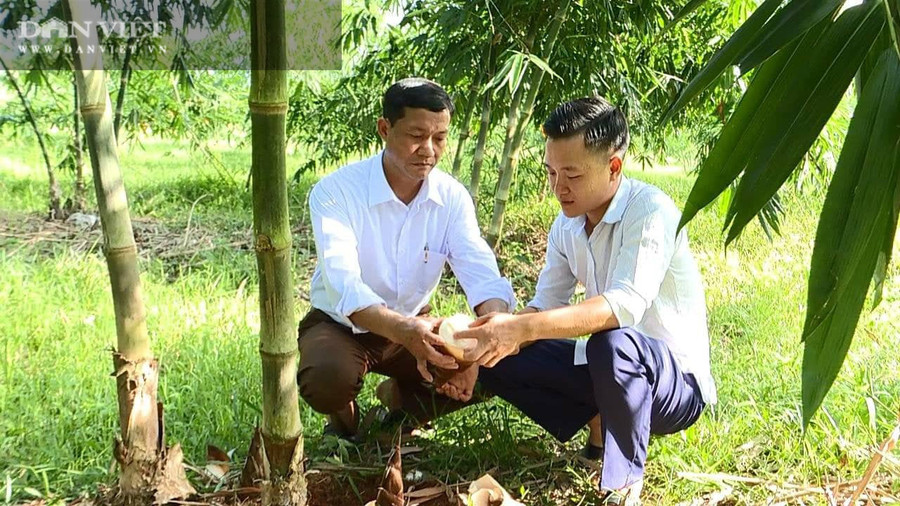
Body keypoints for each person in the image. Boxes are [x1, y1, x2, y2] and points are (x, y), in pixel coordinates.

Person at [454, 97, 717, 505]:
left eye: (572, 175)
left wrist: (522, 327)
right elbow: (545, 303)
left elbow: (622, 307)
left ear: (614, 167)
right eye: (551, 172)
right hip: (607, 368)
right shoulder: (567, 224)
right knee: (500, 358)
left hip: (673, 386)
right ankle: (599, 425)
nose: (558, 187)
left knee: (612, 341)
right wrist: (490, 336)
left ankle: (624, 480)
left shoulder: (650, 212)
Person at [297, 77, 516, 440]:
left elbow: (481, 274)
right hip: (343, 325)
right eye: (416, 135)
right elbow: (344, 286)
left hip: (416, 328)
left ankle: (399, 405)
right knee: (327, 377)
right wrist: (404, 330)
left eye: (440, 138)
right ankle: (346, 423)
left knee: (496, 371)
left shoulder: (452, 198)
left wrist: (486, 337)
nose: (428, 149)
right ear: (385, 128)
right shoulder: (336, 191)